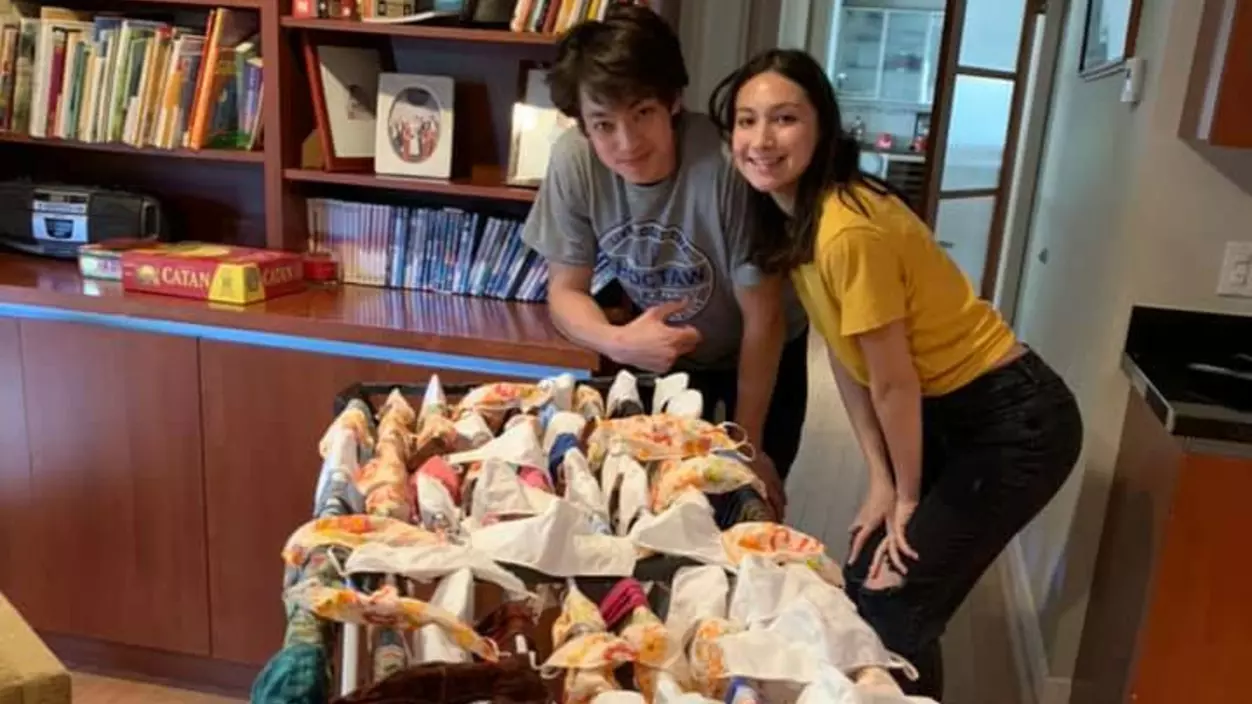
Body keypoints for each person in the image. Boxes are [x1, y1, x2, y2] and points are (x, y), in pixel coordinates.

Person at [709, 49, 1083, 697]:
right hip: (951, 416)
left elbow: (892, 382)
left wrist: (907, 498)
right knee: (860, 581)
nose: (761, 140)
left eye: (784, 119)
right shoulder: (798, 218)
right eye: (746, 121)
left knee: (893, 607)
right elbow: (849, 363)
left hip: (1013, 424)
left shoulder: (845, 231)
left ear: (821, 128)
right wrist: (882, 480)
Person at [520, 5, 810, 516]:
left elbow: (763, 315)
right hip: (664, 356)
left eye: (643, 114)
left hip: (764, 352)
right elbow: (565, 292)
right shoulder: (573, 161)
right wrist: (618, 340)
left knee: (748, 504)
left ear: (674, 101)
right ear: (582, 125)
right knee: (657, 506)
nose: (626, 143)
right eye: (603, 124)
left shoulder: (724, 165)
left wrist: (746, 448)